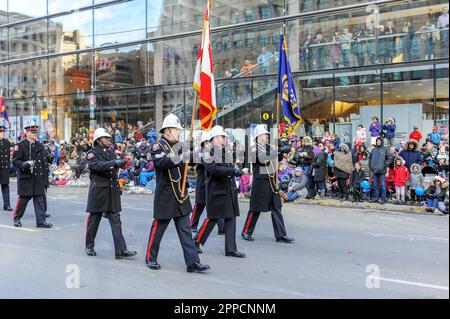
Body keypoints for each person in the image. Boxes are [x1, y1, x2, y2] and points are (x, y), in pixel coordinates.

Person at [145, 114, 210, 273]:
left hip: (181, 193)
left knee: (185, 230)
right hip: (166, 193)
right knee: (159, 228)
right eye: (176, 129)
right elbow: (162, 163)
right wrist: (181, 156)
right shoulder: (157, 146)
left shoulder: (181, 145)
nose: (179, 132)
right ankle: (150, 257)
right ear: (167, 130)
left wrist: (198, 151)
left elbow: (192, 161)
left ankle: (193, 262)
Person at [193, 125, 245, 258]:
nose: (225, 139)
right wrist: (232, 171)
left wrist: (236, 169)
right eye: (223, 136)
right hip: (216, 191)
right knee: (212, 219)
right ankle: (196, 241)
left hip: (227, 190)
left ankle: (231, 249)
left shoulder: (224, 151)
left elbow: (229, 165)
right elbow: (214, 169)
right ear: (215, 138)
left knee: (230, 218)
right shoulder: (207, 151)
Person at [84, 128, 137, 259]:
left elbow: (113, 167)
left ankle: (120, 249)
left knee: (116, 221)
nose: (109, 140)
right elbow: (96, 166)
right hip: (99, 191)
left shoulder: (111, 152)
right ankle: (89, 246)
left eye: (109, 138)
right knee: (94, 220)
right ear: (98, 140)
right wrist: (114, 163)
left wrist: (122, 164)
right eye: (106, 138)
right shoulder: (92, 153)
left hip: (111, 190)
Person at [241, 124, 294, 243]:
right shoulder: (253, 148)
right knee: (256, 208)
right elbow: (261, 158)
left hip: (272, 181)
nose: (267, 137)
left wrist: (283, 149)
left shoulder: (269, 147)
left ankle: (281, 235)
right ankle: (246, 231)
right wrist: (278, 150)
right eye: (265, 134)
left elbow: (277, 158)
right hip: (261, 182)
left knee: (277, 207)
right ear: (258, 136)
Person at [12, 121, 53, 228]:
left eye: (36, 132)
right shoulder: (20, 145)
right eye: (32, 132)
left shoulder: (40, 145)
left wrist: (50, 158)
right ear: (27, 132)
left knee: (39, 199)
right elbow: (15, 161)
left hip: (39, 177)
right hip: (26, 177)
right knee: (23, 200)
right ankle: (17, 218)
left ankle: (41, 221)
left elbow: (45, 161)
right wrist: (24, 164)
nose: (35, 134)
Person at [190, 131, 225, 234]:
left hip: (211, 182)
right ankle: (192, 225)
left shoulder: (212, 152)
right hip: (202, 182)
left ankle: (221, 227)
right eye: (207, 142)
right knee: (199, 205)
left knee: (215, 206)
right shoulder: (201, 153)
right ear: (204, 143)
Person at [369, 137, 391, 204]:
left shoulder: (385, 149)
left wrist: (384, 165)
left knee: (383, 185)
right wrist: (371, 166)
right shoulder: (374, 149)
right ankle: (376, 198)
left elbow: (389, 158)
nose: (378, 142)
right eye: (377, 141)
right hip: (374, 170)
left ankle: (383, 199)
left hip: (382, 170)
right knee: (375, 185)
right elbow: (370, 158)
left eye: (379, 141)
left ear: (382, 141)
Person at [0, 124, 12, 211]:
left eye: (3, 132)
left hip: (4, 168)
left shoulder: (7, 142)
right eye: (1, 132)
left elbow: (7, 156)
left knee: (5, 187)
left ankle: (7, 205)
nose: (2, 134)